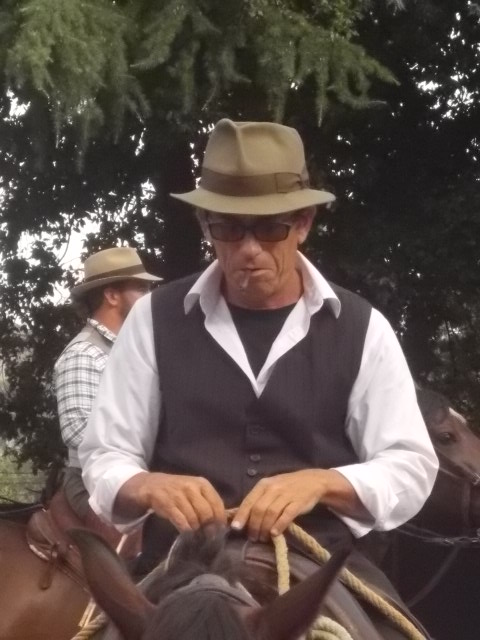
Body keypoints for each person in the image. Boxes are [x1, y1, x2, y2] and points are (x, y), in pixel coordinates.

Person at [79, 120, 438, 636]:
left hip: (318, 557)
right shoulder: (150, 321)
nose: (249, 248)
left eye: (269, 228)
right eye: (228, 228)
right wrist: (148, 485)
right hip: (179, 561)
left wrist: (324, 482)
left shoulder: (365, 328)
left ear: (303, 223)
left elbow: (410, 463)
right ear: (205, 225)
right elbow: (105, 454)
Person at [54, 246, 161, 530]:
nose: (149, 296)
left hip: (139, 478)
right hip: (92, 482)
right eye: (140, 288)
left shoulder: (136, 349)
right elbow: (78, 431)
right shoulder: (83, 354)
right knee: (139, 548)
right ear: (112, 296)